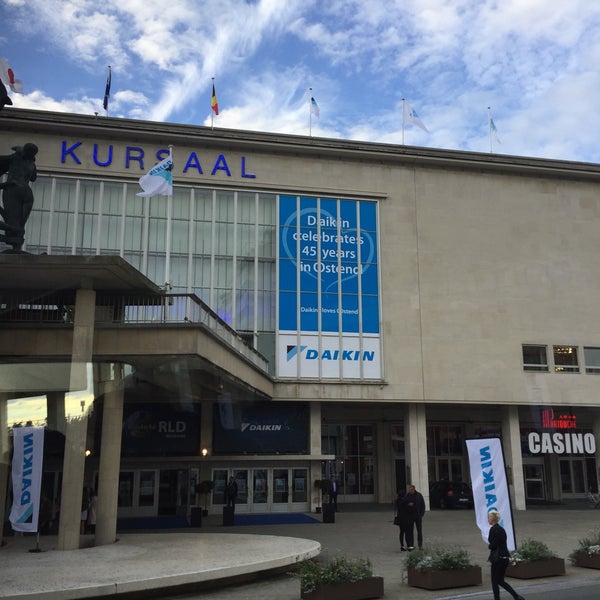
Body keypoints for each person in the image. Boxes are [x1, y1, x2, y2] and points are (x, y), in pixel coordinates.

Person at [0, 142, 38, 251]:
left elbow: (3, 160)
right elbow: (33, 178)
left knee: (13, 221)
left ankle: (15, 242)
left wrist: (18, 151)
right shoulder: (32, 164)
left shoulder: (15, 158)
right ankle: (16, 243)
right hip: (27, 192)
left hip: (13, 189)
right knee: (21, 222)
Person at [488, 510, 525, 600]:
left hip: (498, 558)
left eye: (489, 517)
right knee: (500, 580)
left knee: (494, 581)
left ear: (493, 519)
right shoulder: (501, 529)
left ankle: (498, 598)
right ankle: (516, 596)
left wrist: (490, 545)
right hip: (505, 557)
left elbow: (493, 545)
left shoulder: (494, 529)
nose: (488, 519)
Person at [404, 484, 426, 549]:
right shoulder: (406, 496)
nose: (410, 491)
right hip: (409, 516)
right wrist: (408, 505)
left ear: (414, 489)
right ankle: (411, 545)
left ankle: (420, 545)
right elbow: (403, 505)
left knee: (419, 531)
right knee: (410, 531)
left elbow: (423, 505)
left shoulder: (419, 495)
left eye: (411, 489)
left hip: (418, 516)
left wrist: (421, 514)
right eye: (409, 489)